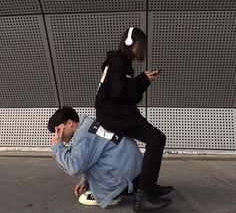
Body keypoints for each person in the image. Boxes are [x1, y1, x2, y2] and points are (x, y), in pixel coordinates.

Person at [95, 27, 173, 211]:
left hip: (116, 113)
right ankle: (144, 194)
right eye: (141, 45)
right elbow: (118, 93)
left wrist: (143, 80)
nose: (142, 50)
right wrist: (141, 80)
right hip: (115, 115)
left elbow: (130, 95)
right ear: (130, 43)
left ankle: (148, 187)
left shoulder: (122, 62)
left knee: (156, 138)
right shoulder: (119, 62)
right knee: (157, 139)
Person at [48, 106, 146, 208]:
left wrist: (57, 146)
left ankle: (112, 195)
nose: (57, 135)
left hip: (125, 181)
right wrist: (85, 181)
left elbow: (74, 168)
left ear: (69, 123)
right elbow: (93, 155)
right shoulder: (90, 124)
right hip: (136, 173)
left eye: (58, 129)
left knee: (91, 192)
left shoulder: (83, 135)